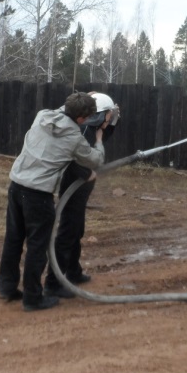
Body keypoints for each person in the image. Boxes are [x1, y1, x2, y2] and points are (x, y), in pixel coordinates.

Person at [0, 92, 105, 311]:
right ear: (82, 119)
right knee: (37, 247)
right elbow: (96, 160)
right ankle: (33, 298)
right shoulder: (75, 138)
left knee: (14, 239)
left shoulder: (42, 116)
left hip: (16, 185)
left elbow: (63, 111)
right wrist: (100, 140)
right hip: (38, 195)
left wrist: (82, 99)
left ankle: (7, 287)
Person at [44, 92, 119, 298]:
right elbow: (77, 161)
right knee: (68, 232)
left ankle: (73, 271)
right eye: (109, 115)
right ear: (101, 116)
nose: (111, 119)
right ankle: (53, 282)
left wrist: (104, 121)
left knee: (77, 229)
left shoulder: (91, 127)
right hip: (72, 188)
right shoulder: (84, 132)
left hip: (80, 191)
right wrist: (87, 173)